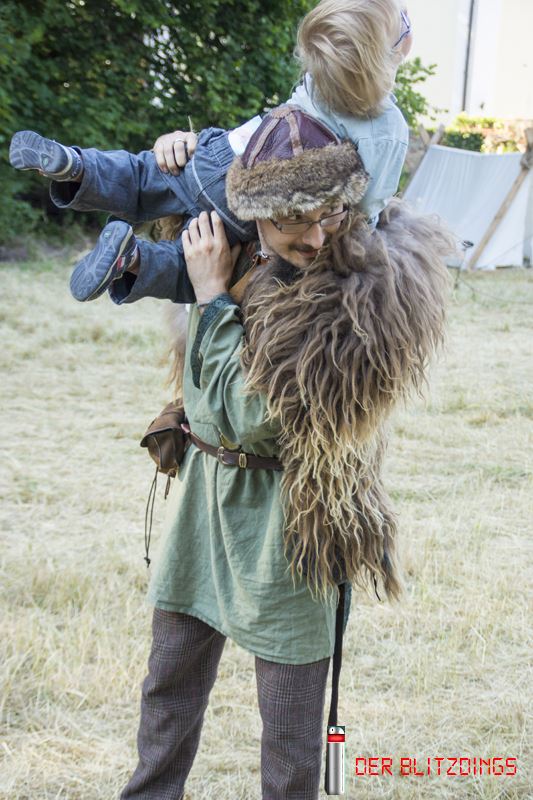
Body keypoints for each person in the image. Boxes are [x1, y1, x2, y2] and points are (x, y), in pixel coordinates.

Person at [116, 104, 454, 799]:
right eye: (293, 218)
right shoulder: (248, 251)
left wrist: (213, 299)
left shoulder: (360, 296)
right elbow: (232, 161)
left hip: (293, 521)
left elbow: (248, 417)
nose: (315, 234)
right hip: (204, 506)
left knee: (291, 734)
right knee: (167, 689)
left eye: (329, 212)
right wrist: (183, 153)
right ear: (253, 217)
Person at [8, 0, 412, 305]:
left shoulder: (319, 79)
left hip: (221, 152)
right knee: (190, 266)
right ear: (390, 55)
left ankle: (76, 166)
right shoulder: (387, 129)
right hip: (258, 199)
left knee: (144, 173)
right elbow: (368, 203)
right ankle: (131, 260)